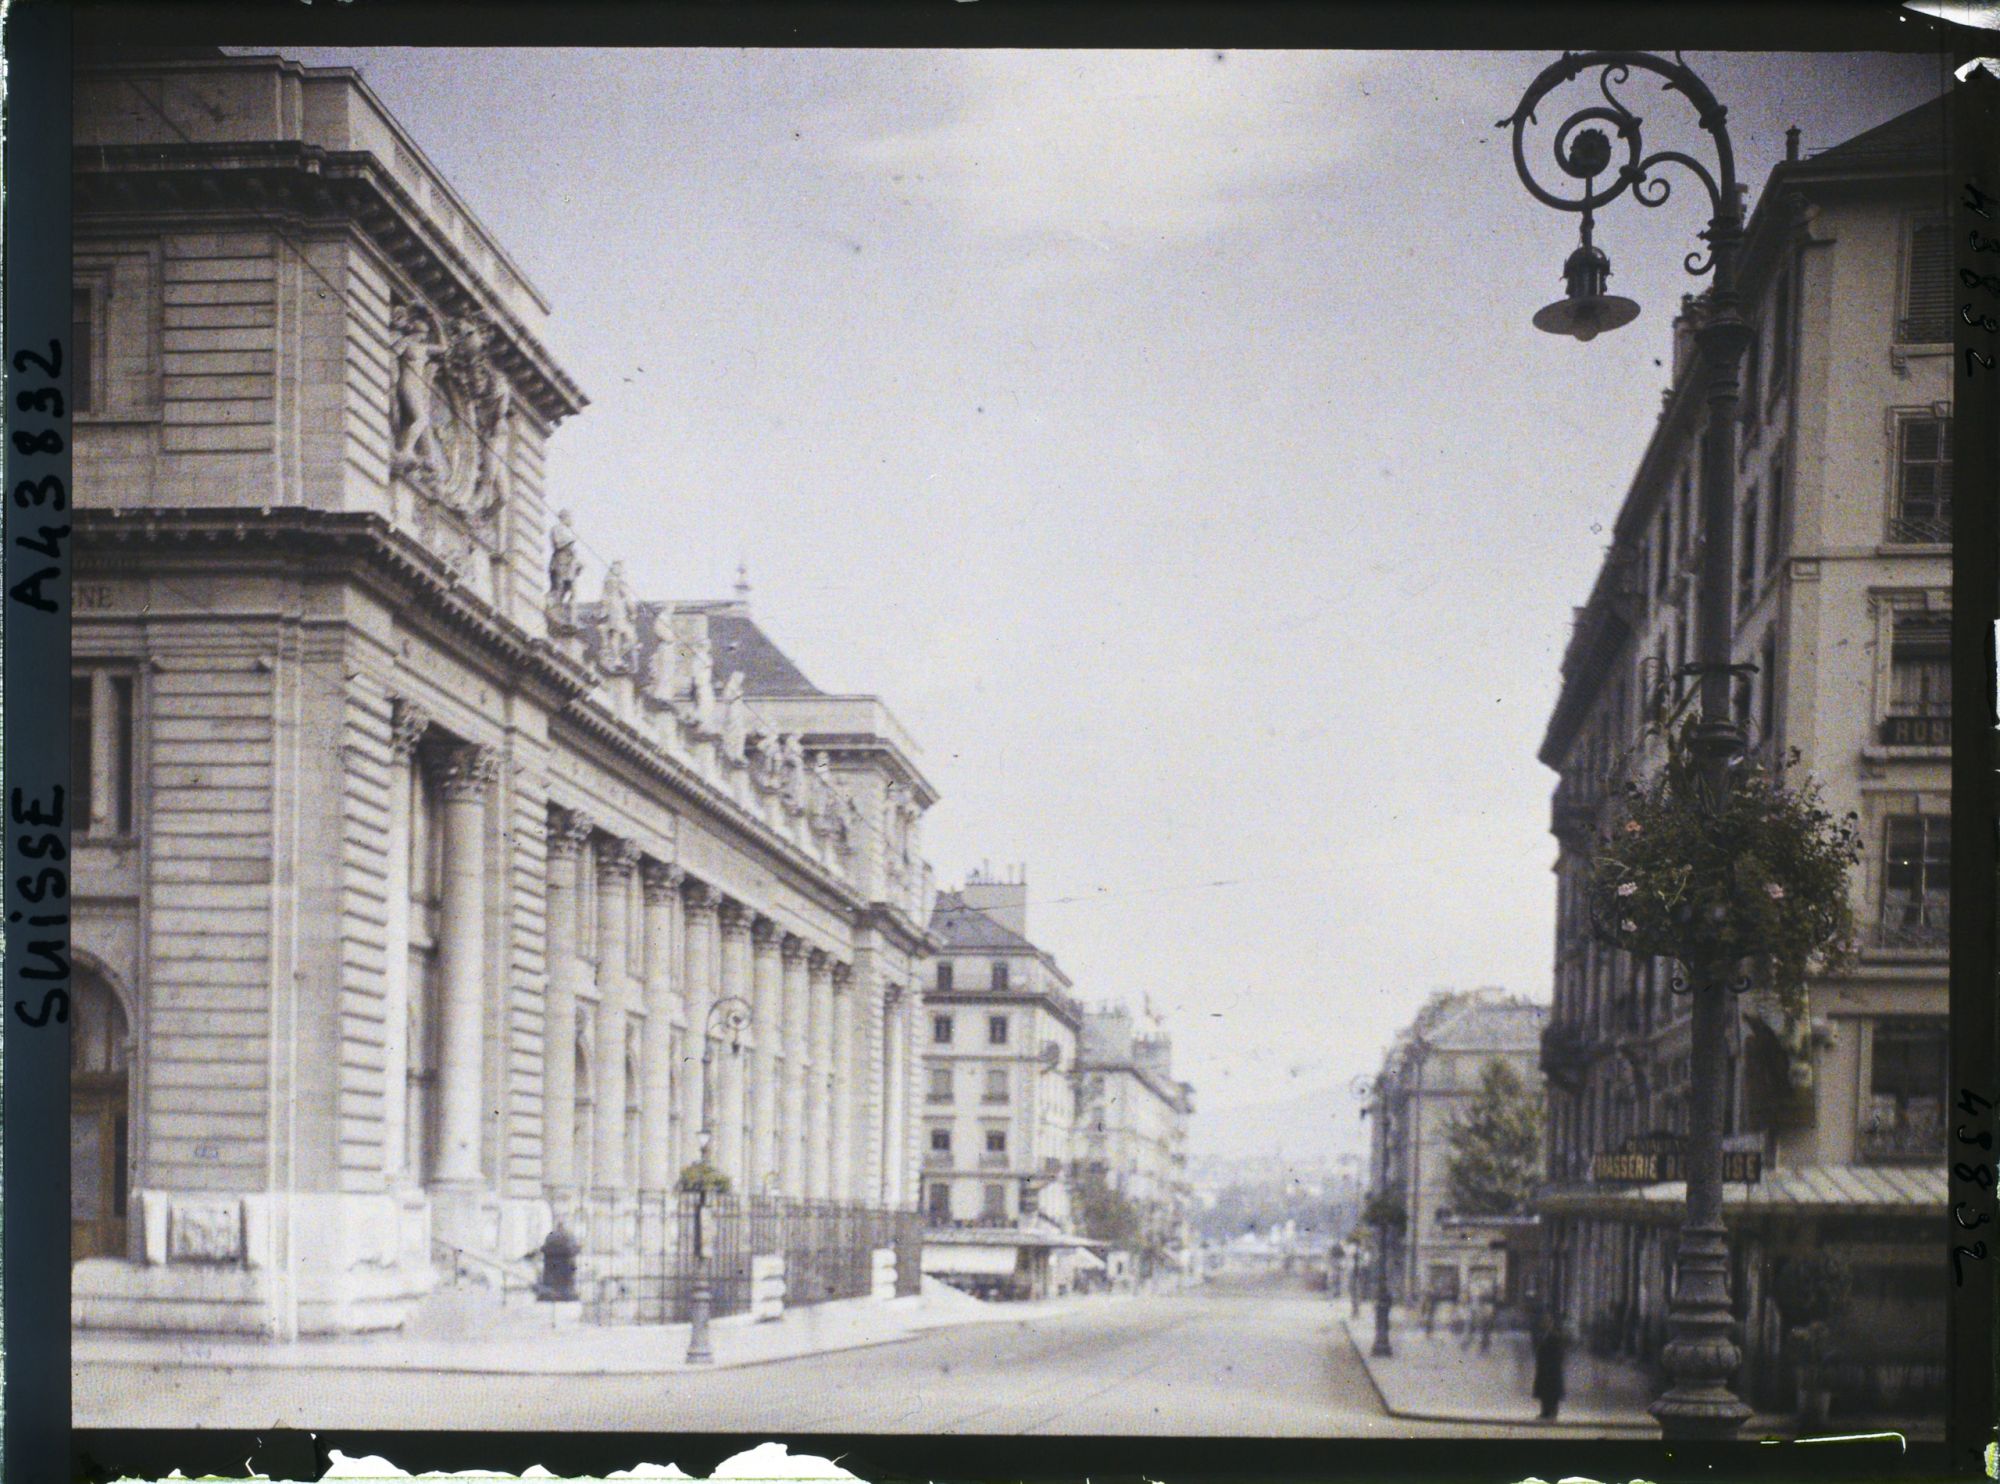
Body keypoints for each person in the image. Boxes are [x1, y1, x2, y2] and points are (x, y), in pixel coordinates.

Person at [1532, 1312, 1569, 1421]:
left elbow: (1559, 1353)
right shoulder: (1542, 1335)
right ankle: (1545, 1411)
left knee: (1552, 1391)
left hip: (1552, 1369)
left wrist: (1553, 1365)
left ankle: (1552, 1412)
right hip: (1544, 1368)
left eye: (1546, 1322)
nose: (1544, 1324)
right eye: (1543, 1322)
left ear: (1551, 1323)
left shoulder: (1554, 1336)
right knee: (1544, 1391)